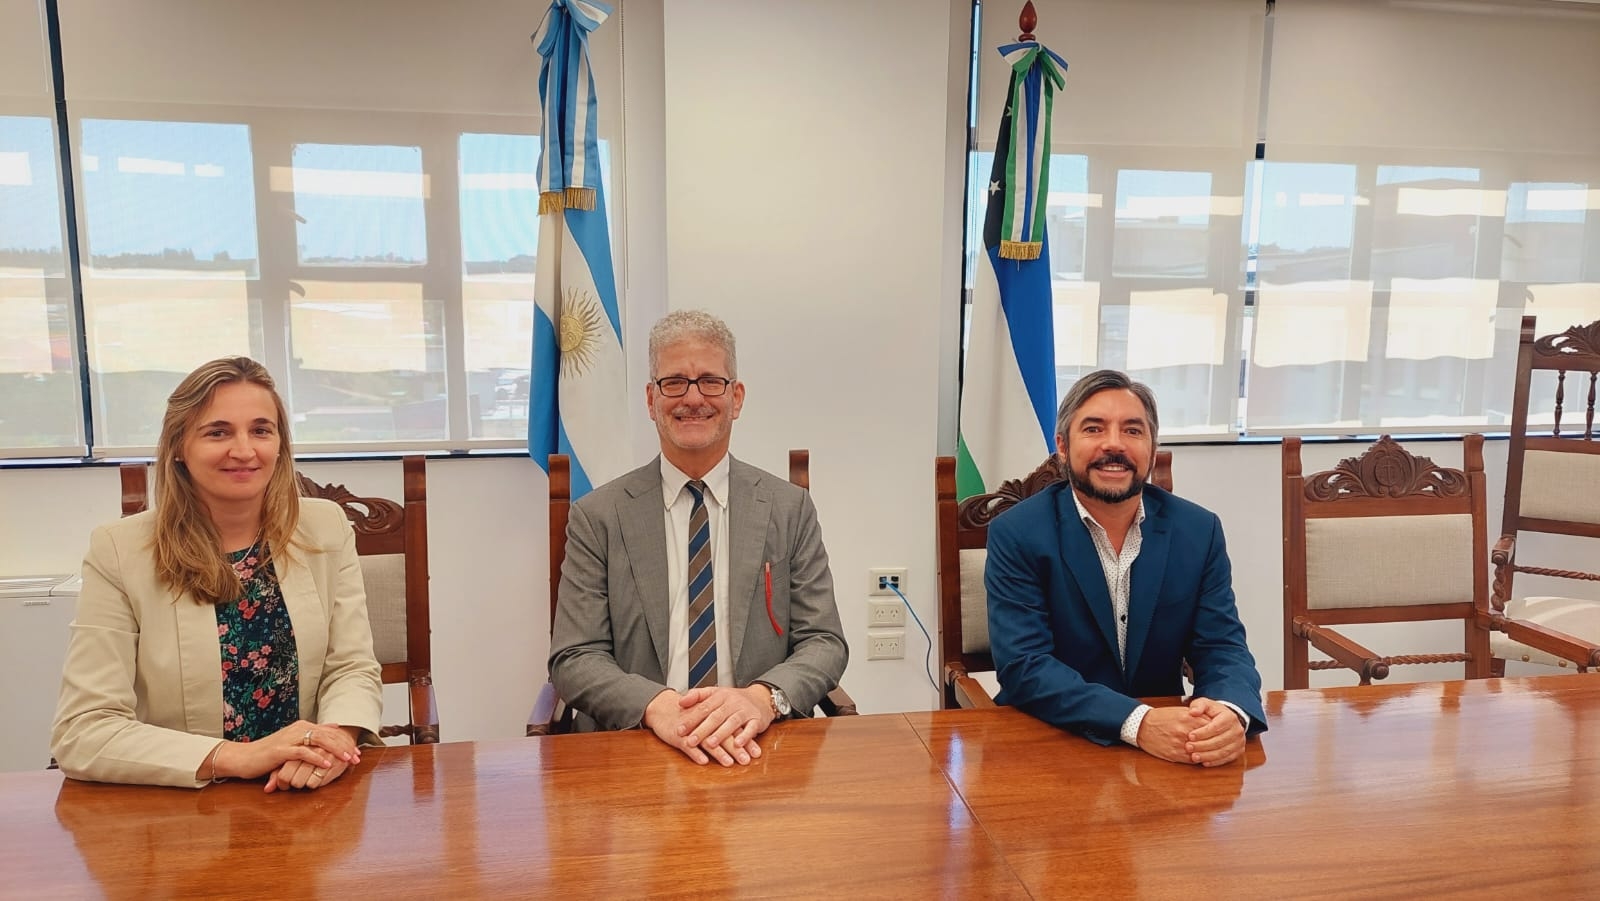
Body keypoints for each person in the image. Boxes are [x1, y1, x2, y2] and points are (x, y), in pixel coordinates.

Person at [51, 357, 383, 790]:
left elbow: (351, 666)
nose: (244, 450)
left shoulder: (325, 527)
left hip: (301, 790)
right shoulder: (119, 550)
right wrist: (240, 757)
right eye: (218, 432)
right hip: (185, 801)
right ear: (178, 446)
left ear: (280, 443)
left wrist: (333, 743)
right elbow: (83, 731)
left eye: (261, 430)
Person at [549, 310, 848, 767]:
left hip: (758, 747)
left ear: (736, 397)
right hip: (637, 747)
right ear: (651, 399)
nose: (693, 398)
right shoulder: (598, 517)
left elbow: (824, 642)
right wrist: (655, 706)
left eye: (710, 381)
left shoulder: (789, 509)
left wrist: (762, 699)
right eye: (674, 383)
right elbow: (574, 656)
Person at [985, 369, 1266, 766]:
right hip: (1051, 743)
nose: (1114, 444)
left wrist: (1228, 712)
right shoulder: (1017, 533)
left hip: (1169, 750)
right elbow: (1024, 666)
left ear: (1152, 448)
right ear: (1063, 446)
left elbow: (1222, 645)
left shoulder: (1198, 530)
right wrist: (1138, 722)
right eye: (1094, 429)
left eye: (1133, 431)